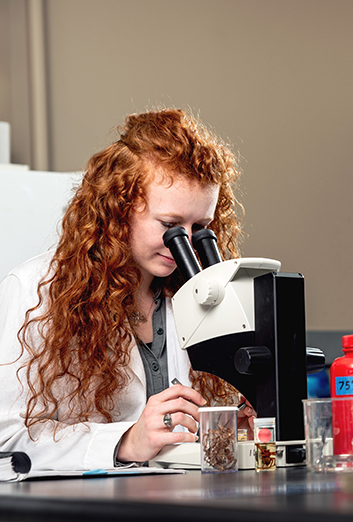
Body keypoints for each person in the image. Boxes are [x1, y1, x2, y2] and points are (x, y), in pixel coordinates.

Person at [0, 108, 255, 471]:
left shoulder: (197, 294)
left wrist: (231, 430)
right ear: (119, 209)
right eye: (169, 224)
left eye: (199, 227)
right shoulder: (35, 291)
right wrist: (125, 441)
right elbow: (7, 441)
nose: (182, 243)